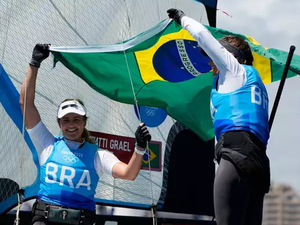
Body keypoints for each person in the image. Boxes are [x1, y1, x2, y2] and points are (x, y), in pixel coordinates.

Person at [20, 44, 152, 225]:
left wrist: (140, 147)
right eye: (66, 120)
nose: (71, 125)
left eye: (76, 120)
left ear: (84, 123)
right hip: (44, 218)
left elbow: (128, 174)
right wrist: (34, 64)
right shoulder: (47, 143)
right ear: (59, 124)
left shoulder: (98, 155)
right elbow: (25, 103)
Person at [167, 9, 270, 225]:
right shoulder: (253, 82)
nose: (210, 62)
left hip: (235, 158)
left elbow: (203, 37)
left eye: (215, 57)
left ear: (230, 56)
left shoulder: (234, 70)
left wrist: (182, 18)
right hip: (259, 162)